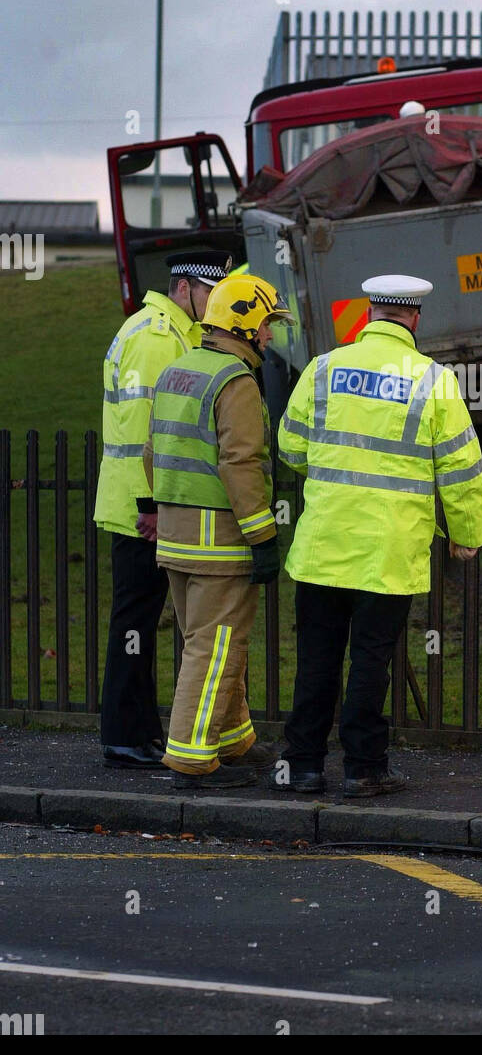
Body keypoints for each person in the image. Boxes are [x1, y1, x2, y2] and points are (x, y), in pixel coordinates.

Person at [275, 273, 482, 798]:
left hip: (324, 544)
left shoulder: (323, 369)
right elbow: (461, 468)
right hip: (388, 551)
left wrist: (333, 476)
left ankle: (302, 765)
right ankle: (363, 767)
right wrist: (465, 534)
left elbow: (289, 446)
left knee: (317, 658)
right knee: (372, 657)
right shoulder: (434, 381)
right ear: (414, 318)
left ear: (368, 315)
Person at [137, 271, 294, 790]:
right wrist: (263, 537)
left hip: (178, 539)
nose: (270, 336)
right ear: (244, 324)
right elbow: (241, 465)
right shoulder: (236, 382)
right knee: (216, 645)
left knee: (208, 641)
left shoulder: (178, 370)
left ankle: (234, 739)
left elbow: (150, 452)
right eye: (267, 324)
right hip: (220, 542)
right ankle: (191, 759)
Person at [94, 249, 232, 769]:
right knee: (133, 622)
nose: (215, 304)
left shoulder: (167, 330)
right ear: (185, 289)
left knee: (142, 622)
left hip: (141, 504)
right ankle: (124, 736)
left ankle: (140, 732)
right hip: (140, 509)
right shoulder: (156, 337)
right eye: (210, 294)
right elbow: (140, 430)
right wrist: (149, 506)